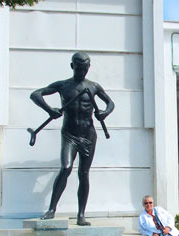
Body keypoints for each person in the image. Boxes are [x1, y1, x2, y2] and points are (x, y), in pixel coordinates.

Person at [30, 52, 115, 226]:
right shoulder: (63, 85)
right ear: (72, 66)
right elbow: (36, 94)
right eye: (78, 67)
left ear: (88, 68)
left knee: (83, 173)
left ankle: (81, 214)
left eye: (85, 68)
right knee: (66, 167)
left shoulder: (93, 87)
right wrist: (49, 109)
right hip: (69, 134)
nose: (82, 71)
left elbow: (110, 103)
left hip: (88, 135)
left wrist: (104, 113)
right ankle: (52, 209)